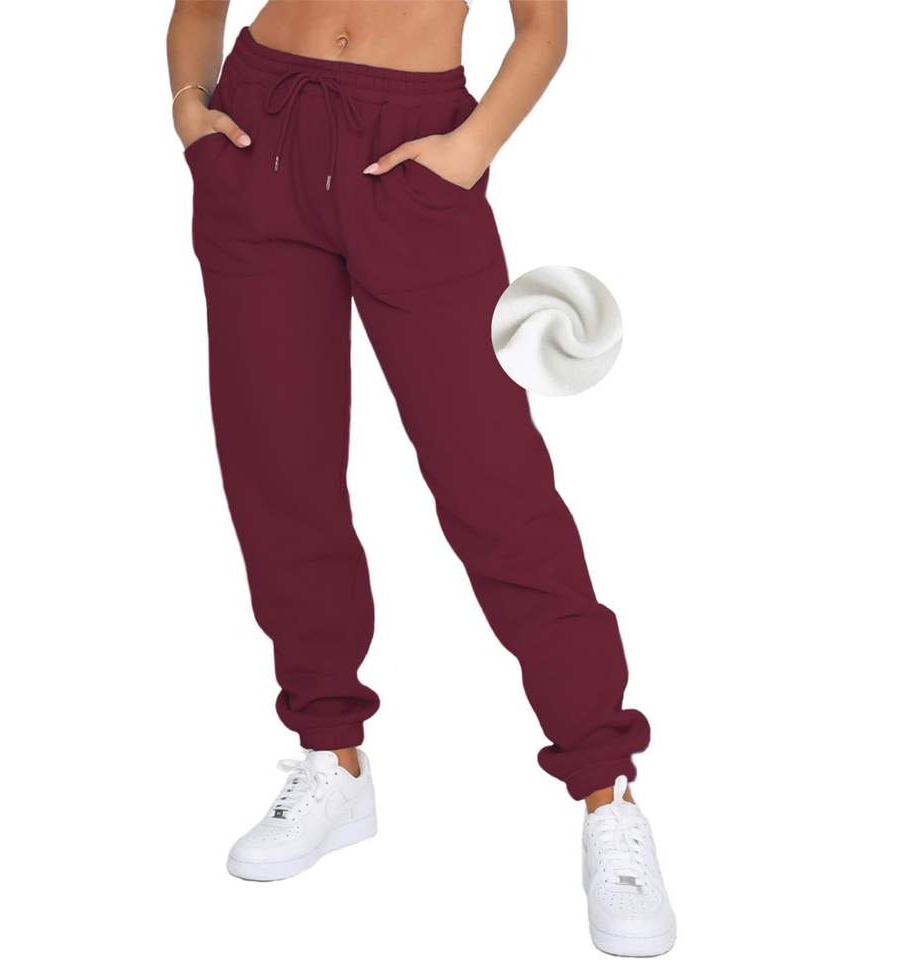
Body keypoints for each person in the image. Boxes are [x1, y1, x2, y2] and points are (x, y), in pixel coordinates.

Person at [168, 2, 675, 954]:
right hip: (256, 135)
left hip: (415, 152)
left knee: (494, 483)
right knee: (277, 469)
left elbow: (543, 29)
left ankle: (606, 789)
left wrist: (468, 149)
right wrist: (190, 108)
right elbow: (198, 8)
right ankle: (332, 755)